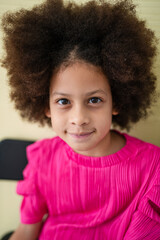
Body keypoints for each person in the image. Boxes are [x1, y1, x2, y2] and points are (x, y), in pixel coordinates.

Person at [1, 0, 160, 239]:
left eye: (94, 100)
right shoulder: (42, 159)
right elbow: (26, 231)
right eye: (64, 102)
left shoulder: (152, 168)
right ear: (46, 106)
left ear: (116, 102)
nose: (79, 118)